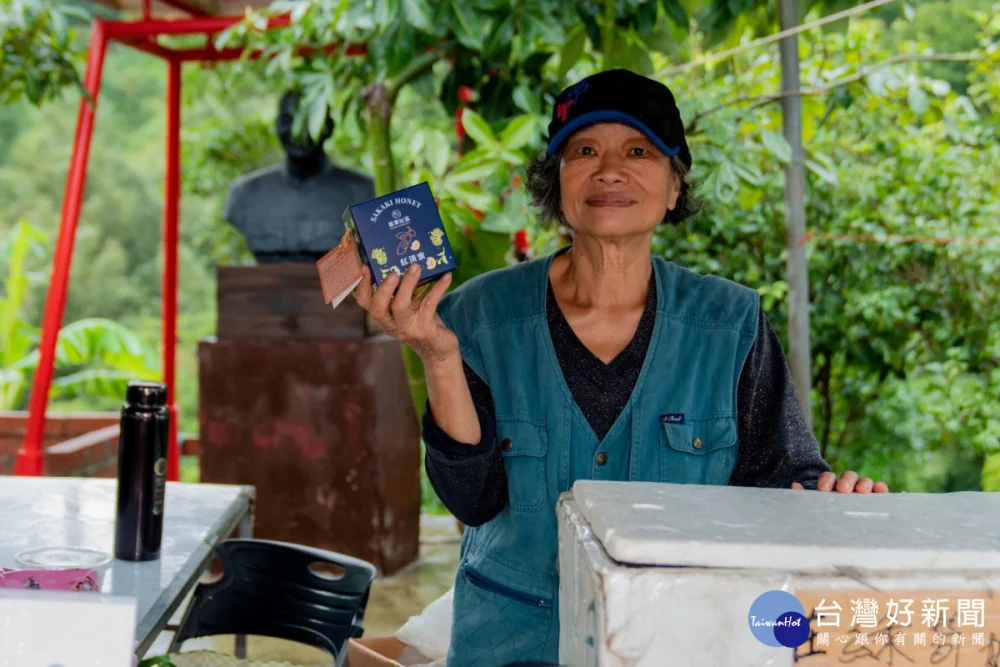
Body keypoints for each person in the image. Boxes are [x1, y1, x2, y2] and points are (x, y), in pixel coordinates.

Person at [350, 68, 889, 666]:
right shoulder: (476, 316)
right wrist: (438, 356)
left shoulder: (730, 323)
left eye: (638, 152)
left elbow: (780, 481)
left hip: (678, 645)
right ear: (557, 183)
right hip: (514, 647)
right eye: (584, 151)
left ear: (674, 187)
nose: (609, 171)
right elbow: (472, 502)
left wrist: (830, 497)